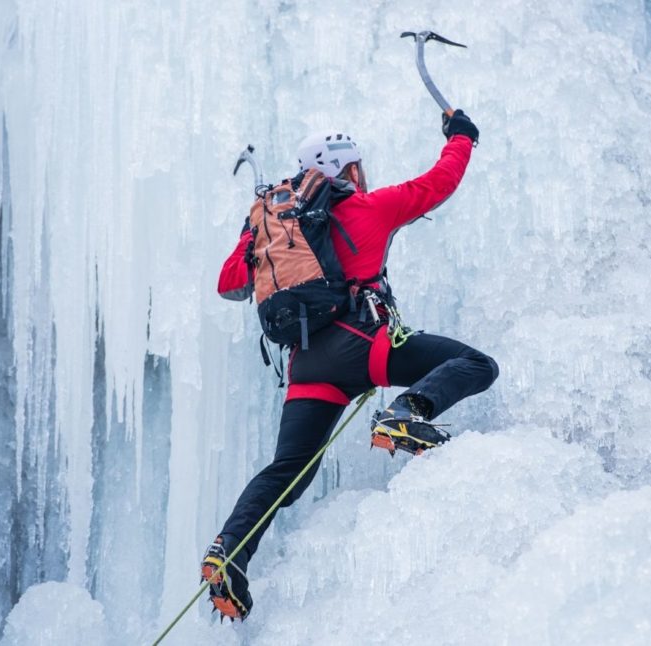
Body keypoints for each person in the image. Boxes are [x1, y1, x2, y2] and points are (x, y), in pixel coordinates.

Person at [202, 111, 498, 620]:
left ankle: (228, 551)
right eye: (356, 167)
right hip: (364, 344)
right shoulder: (368, 209)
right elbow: (438, 182)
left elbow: (230, 284)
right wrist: (462, 138)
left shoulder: (272, 228)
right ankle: (406, 411)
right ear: (345, 170)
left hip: (309, 367)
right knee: (476, 363)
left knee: (288, 474)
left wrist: (253, 235)